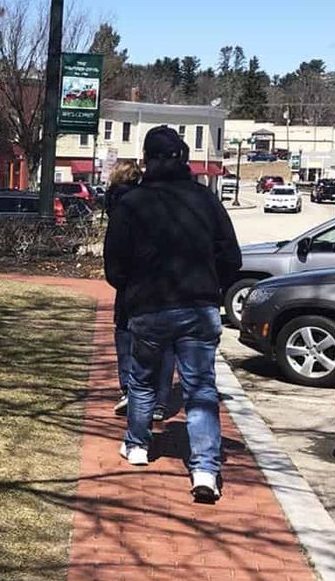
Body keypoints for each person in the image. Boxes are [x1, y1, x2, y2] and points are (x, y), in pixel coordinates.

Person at [104, 126, 242, 504]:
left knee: (143, 381)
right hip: (198, 306)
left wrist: (132, 290)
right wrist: (211, 285)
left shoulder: (131, 204)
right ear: (183, 158)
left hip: (149, 306)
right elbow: (232, 258)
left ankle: (137, 445)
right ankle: (205, 469)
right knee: (201, 388)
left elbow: (114, 266)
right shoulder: (205, 200)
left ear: (147, 160)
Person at [105, 160, 174, 423]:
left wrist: (120, 280)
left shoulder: (115, 202)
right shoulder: (155, 201)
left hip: (130, 281)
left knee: (125, 334)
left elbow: (114, 252)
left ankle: (129, 387)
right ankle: (160, 399)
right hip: (161, 279)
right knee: (164, 343)